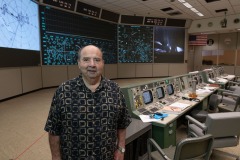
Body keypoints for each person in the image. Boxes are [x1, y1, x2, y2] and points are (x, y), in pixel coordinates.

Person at [44, 45, 132, 160]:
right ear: (79, 63)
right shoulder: (63, 91)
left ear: (103, 63)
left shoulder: (115, 90)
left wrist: (121, 149)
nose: (92, 64)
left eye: (97, 60)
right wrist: (55, 157)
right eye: (86, 60)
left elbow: (122, 124)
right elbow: (53, 130)